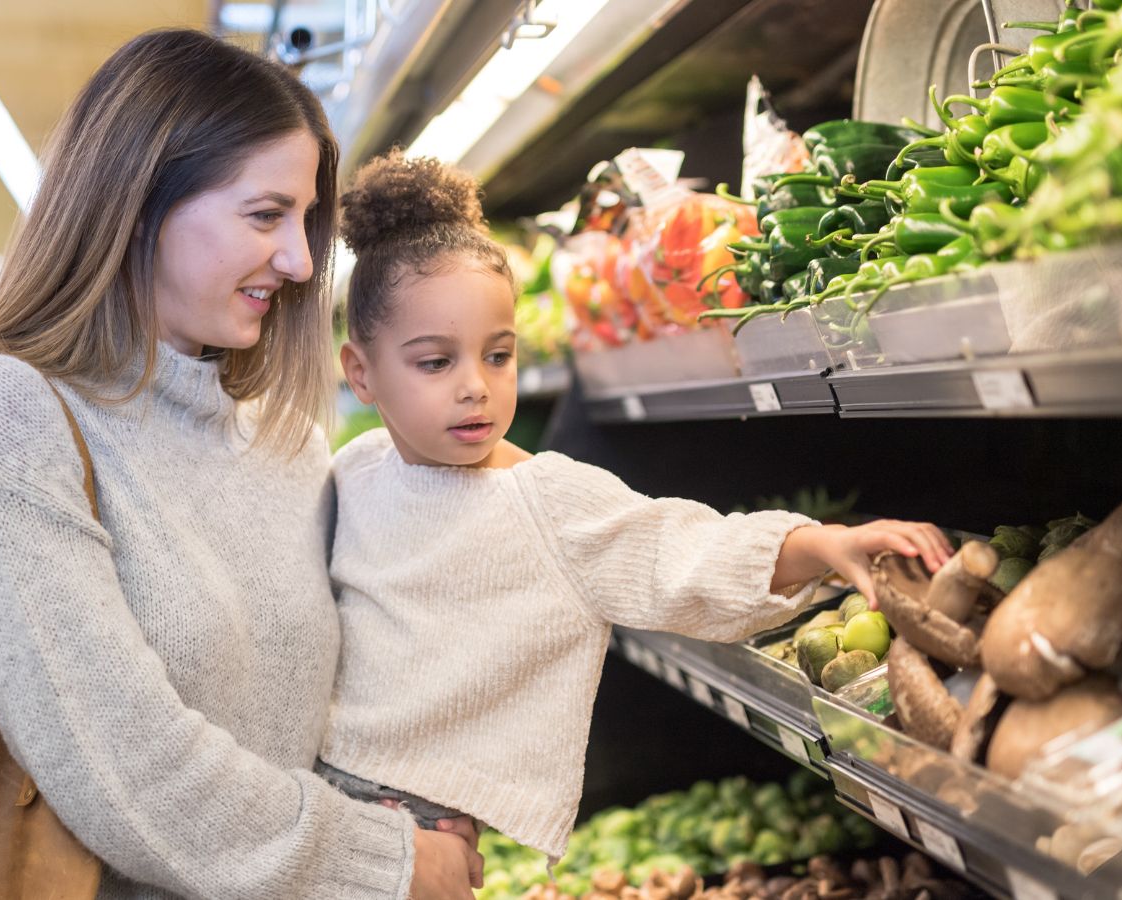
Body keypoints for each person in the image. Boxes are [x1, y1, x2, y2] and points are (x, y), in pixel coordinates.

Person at [0, 30, 479, 900]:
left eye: (304, 222)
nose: (297, 262)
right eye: (265, 216)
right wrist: (385, 861)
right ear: (138, 203)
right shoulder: (2, 412)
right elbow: (125, 760)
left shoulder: (286, 441)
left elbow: (313, 724)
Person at [320, 151, 954, 864]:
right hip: (323, 809)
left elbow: (675, 552)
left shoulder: (546, 499)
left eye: (498, 356)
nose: (476, 387)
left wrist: (819, 546)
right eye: (436, 362)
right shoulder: (351, 472)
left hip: (426, 831)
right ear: (361, 374)